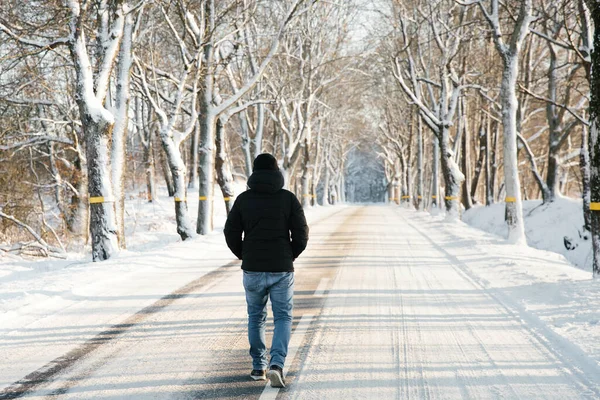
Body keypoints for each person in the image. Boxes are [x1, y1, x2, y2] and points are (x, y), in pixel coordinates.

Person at [224, 153, 309, 388]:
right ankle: (277, 365)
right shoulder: (288, 199)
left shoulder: (243, 200)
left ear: (254, 172)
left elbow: (230, 232)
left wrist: (244, 254)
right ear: (276, 172)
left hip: (252, 268)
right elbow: (301, 233)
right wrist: (290, 254)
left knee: (256, 316)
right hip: (281, 268)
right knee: (282, 316)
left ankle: (258, 366)